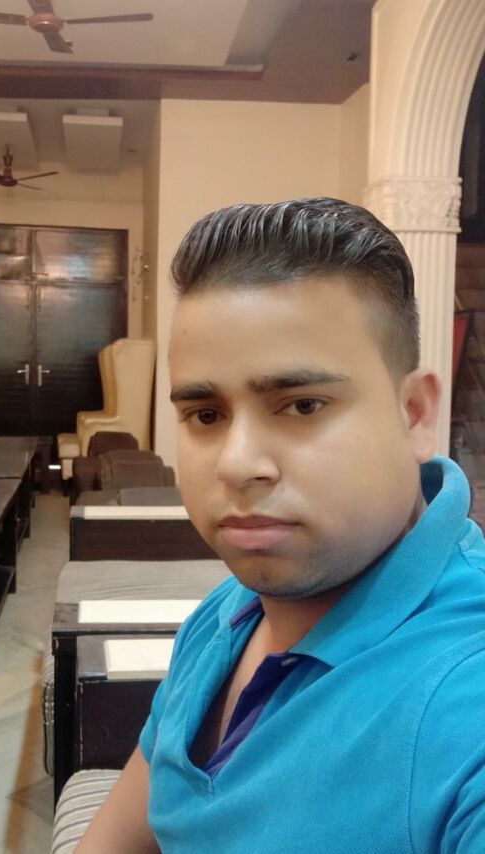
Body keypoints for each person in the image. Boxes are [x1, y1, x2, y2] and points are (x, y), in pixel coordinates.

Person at [76, 198, 485, 852]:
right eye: (206, 415)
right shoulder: (226, 614)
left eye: (301, 405)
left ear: (413, 413)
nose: (237, 465)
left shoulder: (464, 697)